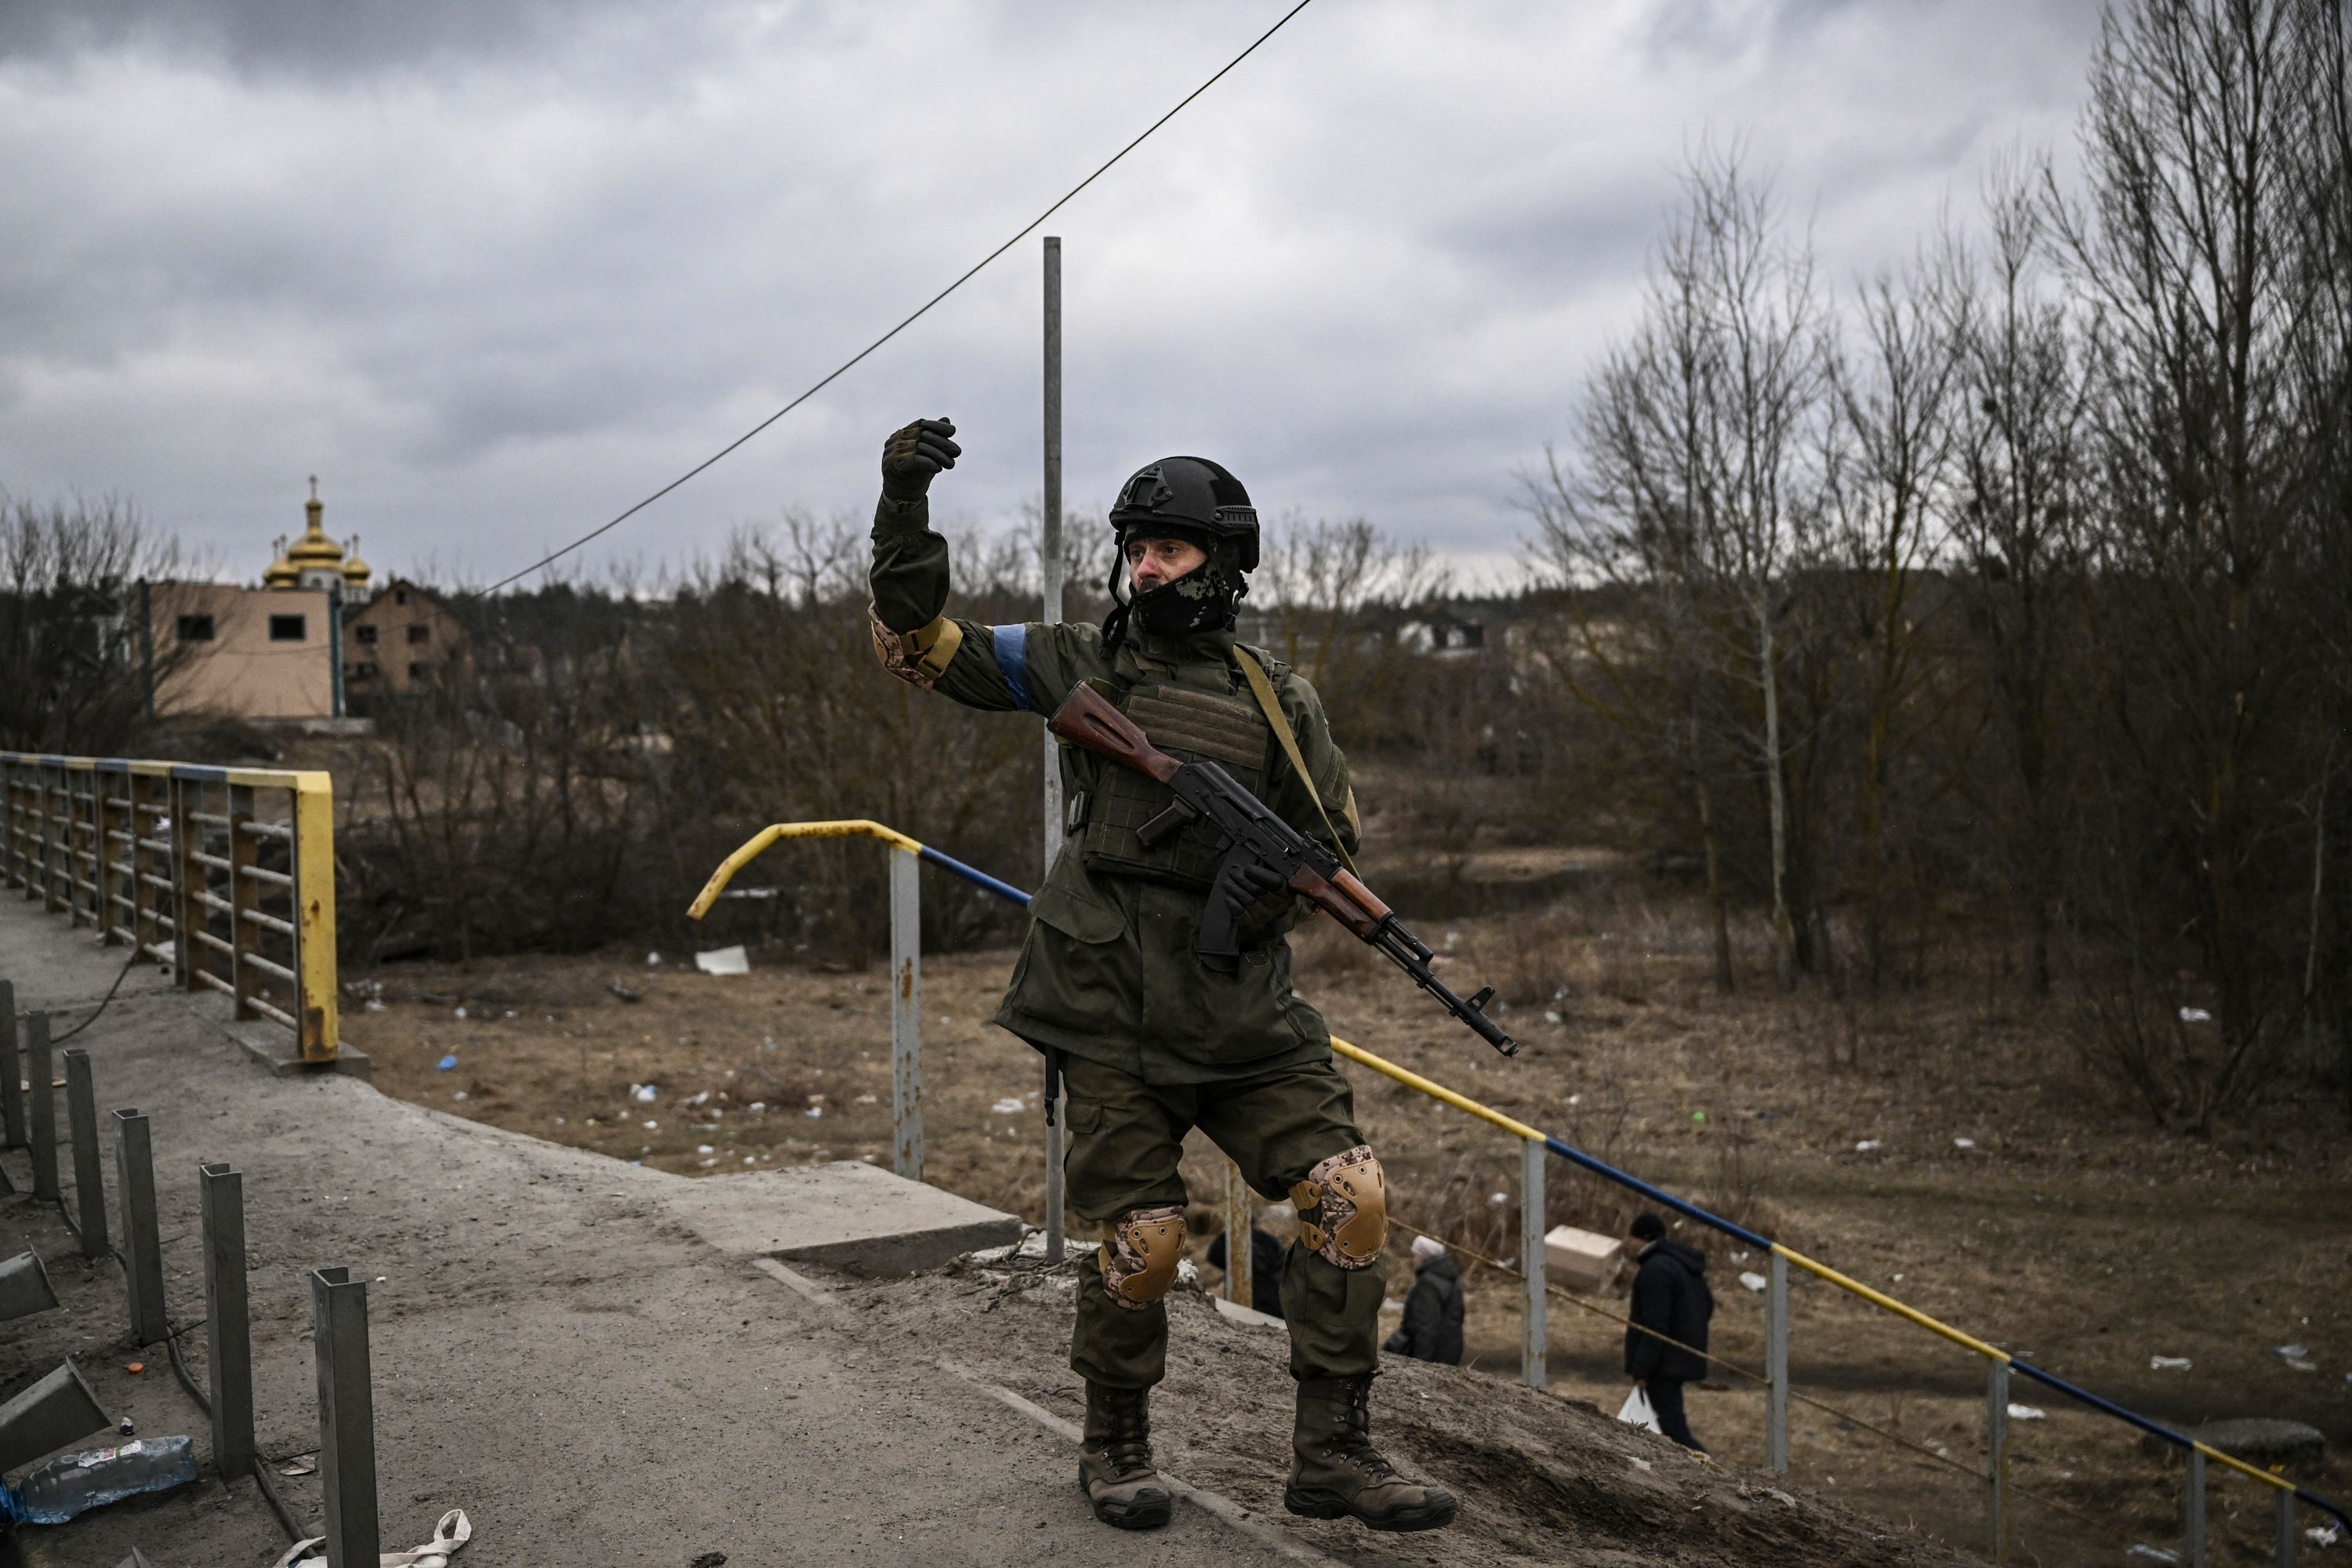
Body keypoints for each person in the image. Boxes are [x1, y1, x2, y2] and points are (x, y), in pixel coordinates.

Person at [866, 417, 1457, 1534]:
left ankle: (1334, 1452)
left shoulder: (1281, 700)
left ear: (1222, 565)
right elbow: (916, 642)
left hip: (1245, 1016)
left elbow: (1331, 844)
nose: (1147, 567)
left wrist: (1267, 882)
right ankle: (1116, 1445)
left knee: (1351, 1197)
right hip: (1109, 1008)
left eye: (1170, 550)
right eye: (1137, 546)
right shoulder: (1076, 667)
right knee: (1143, 1240)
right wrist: (905, 505)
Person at [1624, 1211, 1713, 1451]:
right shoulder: (1683, 1265)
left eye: (1633, 1239)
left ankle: (1706, 1469)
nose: (1630, 1245)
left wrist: (1641, 1369)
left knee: (1672, 1430)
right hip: (1680, 1355)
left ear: (1643, 1238)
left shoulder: (1655, 1270)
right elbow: (1707, 1305)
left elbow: (1654, 1325)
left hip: (1664, 1362)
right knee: (1667, 1422)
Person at [1384, 1235, 1464, 1365]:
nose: (1414, 1260)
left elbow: (1426, 1326)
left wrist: (1420, 1362)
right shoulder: (1451, 1278)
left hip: (1433, 1355)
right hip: (1450, 1351)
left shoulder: (1427, 1284)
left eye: (1416, 1255)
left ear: (1424, 1257)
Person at [1207, 1224, 1287, 1318]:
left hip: (1263, 1303)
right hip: (1268, 1302)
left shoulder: (1231, 1240)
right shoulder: (1269, 1241)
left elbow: (1213, 1256)